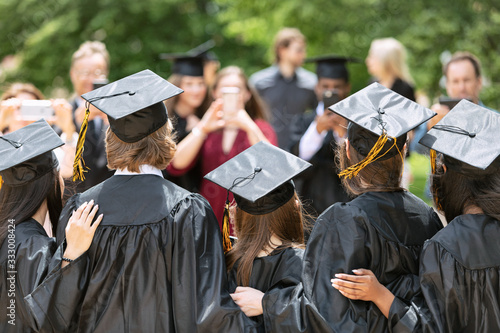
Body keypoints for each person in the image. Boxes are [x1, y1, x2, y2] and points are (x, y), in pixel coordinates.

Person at [50, 69, 257, 332]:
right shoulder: (188, 211)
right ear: (165, 137)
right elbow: (205, 309)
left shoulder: (80, 209)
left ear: (111, 138)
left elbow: (60, 304)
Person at [230, 83, 444, 332]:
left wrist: (268, 303)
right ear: (404, 149)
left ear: (347, 151)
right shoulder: (428, 218)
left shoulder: (343, 220)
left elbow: (323, 315)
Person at [332, 100, 500, 332]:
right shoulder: (437, 229)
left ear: (448, 175)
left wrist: (381, 295)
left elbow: (429, 328)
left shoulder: (445, 247)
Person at [0, 120, 102, 332]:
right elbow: (45, 318)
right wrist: (72, 254)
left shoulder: (10, 233)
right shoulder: (31, 245)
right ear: (50, 182)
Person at [205, 141, 311, 332]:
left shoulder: (225, 263)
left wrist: (265, 303)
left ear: (237, 214)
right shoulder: (303, 263)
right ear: (294, 209)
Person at [168, 66, 277, 231]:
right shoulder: (208, 128)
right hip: (208, 216)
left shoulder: (259, 127)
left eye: (237, 89)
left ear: (247, 94)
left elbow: (275, 166)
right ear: (215, 93)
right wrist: (203, 127)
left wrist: (247, 124)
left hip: (248, 218)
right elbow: (176, 165)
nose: (231, 95)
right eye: (225, 90)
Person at [289, 55, 356, 218]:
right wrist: (317, 130)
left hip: (348, 208)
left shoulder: (357, 123)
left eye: (337, 86)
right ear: (317, 87)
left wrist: (343, 135)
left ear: (347, 87)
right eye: (325, 86)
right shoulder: (303, 122)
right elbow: (295, 162)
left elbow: (359, 168)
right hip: (309, 209)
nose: (330, 91)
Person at [249, 28, 317, 149]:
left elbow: (317, 116)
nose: (304, 55)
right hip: (265, 147)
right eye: (299, 50)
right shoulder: (258, 83)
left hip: (298, 151)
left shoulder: (311, 83)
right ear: (282, 50)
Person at [0, 83, 76, 180]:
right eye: (19, 108)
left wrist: (68, 130)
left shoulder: (47, 148)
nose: (24, 115)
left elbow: (68, 170)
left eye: (30, 109)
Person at [162, 49, 211, 192]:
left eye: (201, 83)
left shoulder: (207, 116)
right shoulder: (163, 119)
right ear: (177, 85)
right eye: (189, 84)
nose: (196, 90)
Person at [69, 40, 114, 192]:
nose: (91, 79)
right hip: (71, 202)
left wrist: (113, 125)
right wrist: (76, 124)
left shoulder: (116, 113)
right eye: (85, 73)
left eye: (98, 73)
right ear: (73, 74)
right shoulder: (61, 114)